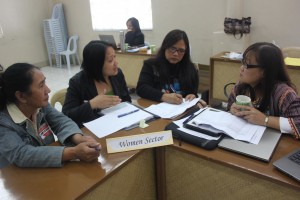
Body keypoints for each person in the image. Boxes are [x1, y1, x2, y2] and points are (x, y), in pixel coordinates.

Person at [0, 63, 101, 168]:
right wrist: (74, 152)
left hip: (46, 169)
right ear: (21, 96)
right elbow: (22, 155)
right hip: (18, 178)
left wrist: (78, 138)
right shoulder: (3, 123)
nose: (48, 90)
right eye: (41, 85)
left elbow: (61, 121)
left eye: (45, 83)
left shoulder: (39, 105)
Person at [227, 42, 300, 139]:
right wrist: (232, 110)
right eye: (242, 62)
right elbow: (228, 111)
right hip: (244, 138)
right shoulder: (241, 87)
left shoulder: (284, 93)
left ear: (264, 71)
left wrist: (265, 120)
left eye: (247, 65)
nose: (241, 68)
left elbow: (298, 125)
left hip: (274, 143)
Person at [62, 40, 131, 128]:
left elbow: (127, 100)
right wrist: (92, 104)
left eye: (115, 57)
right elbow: (67, 115)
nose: (116, 63)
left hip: (119, 123)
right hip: (94, 130)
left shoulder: (117, 74)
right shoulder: (78, 82)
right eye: (110, 60)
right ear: (96, 64)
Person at [136, 29, 207, 106]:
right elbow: (141, 89)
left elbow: (193, 93)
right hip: (157, 108)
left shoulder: (191, 69)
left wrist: (193, 97)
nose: (176, 54)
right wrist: (163, 96)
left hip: (180, 111)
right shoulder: (151, 65)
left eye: (181, 50)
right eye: (172, 49)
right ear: (165, 47)